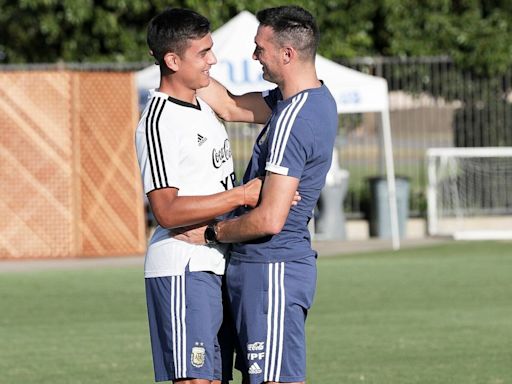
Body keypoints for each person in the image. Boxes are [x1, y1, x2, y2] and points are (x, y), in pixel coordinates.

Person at [176, 6, 338, 384]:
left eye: (259, 48)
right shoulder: (306, 99)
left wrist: (213, 232)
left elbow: (269, 218)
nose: (254, 57)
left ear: (287, 54)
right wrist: (181, 61)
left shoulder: (293, 120)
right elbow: (231, 105)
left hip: (272, 270)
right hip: (260, 271)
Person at [135, 8, 265, 384]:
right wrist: (241, 196)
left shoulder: (203, 96)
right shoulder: (158, 121)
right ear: (172, 60)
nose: (214, 59)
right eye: (203, 53)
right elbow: (167, 211)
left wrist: (304, 97)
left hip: (217, 262)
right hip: (184, 267)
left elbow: (236, 105)